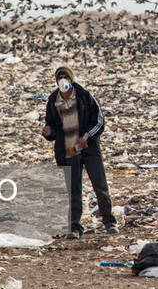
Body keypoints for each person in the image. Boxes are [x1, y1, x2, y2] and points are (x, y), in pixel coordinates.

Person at [42, 66, 118, 238]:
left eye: (66, 77)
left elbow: (99, 120)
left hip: (88, 147)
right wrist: (48, 132)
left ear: (71, 79)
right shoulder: (53, 100)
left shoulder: (84, 95)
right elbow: (52, 125)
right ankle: (75, 227)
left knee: (100, 185)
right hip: (68, 148)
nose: (63, 80)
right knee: (73, 189)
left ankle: (109, 221)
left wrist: (86, 137)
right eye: (60, 77)